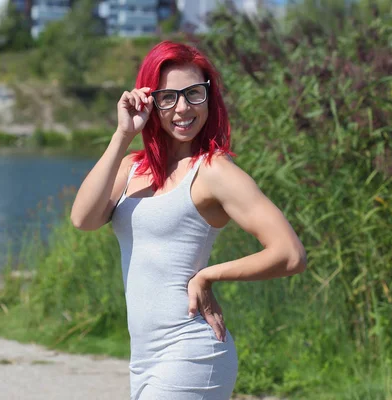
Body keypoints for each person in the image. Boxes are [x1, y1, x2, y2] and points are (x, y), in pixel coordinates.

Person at [70, 41, 307, 400]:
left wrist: (208, 275)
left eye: (194, 93)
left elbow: (290, 254)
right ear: (150, 101)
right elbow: (83, 219)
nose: (183, 108)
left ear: (209, 97)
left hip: (191, 352)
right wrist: (123, 134)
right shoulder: (131, 168)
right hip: (145, 359)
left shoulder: (214, 171)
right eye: (168, 97)